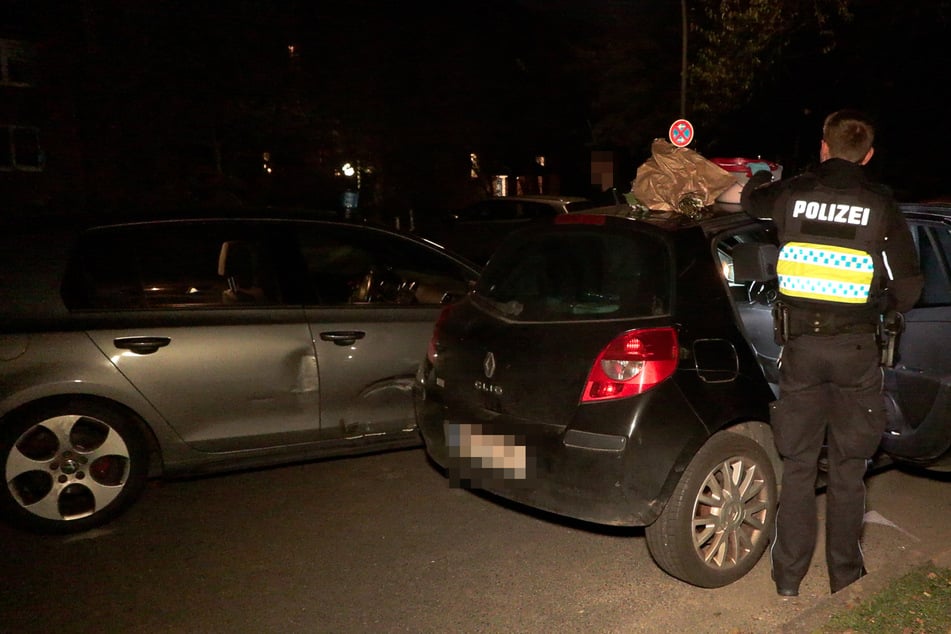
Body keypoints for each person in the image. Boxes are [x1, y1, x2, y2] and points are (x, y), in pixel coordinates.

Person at [741, 109, 923, 596]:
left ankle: (787, 580)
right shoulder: (881, 206)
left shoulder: (793, 193)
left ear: (823, 147)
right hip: (857, 353)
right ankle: (845, 580)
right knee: (847, 470)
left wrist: (762, 175)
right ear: (868, 156)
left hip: (800, 349)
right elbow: (907, 288)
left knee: (798, 467)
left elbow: (751, 201)